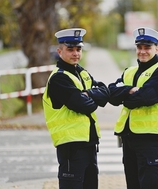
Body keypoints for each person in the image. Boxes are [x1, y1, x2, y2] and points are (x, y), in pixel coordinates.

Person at [108, 27, 158, 189]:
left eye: (147, 47)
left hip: (150, 139)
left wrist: (125, 95)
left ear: (156, 49)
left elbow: (146, 97)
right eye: (140, 47)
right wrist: (130, 91)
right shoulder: (129, 72)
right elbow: (111, 93)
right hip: (129, 138)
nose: (143, 51)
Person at [42, 28, 109, 189]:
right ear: (59, 51)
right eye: (70, 49)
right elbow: (84, 106)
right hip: (71, 147)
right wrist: (94, 99)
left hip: (89, 145)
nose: (75, 53)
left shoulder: (81, 73)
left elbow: (105, 92)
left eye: (78, 49)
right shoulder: (59, 78)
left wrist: (89, 94)